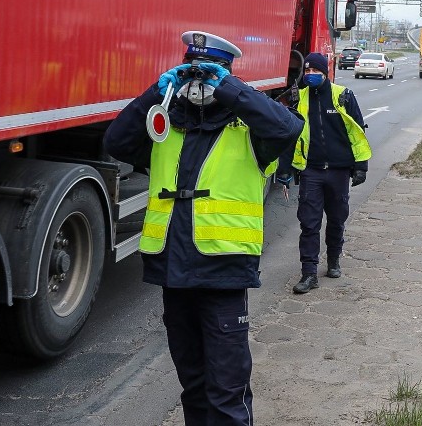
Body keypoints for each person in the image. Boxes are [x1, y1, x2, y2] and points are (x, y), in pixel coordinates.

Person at [103, 31, 303, 425]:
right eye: (191, 74)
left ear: (226, 77)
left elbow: (287, 128)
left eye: (207, 75)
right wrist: (153, 93)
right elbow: (116, 141)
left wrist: (228, 86)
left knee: (226, 392)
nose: (198, 85)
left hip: (223, 278)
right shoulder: (165, 126)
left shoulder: (249, 132)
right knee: (193, 387)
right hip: (173, 277)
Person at [280, 52, 371, 294]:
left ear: (325, 73)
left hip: (339, 172)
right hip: (311, 171)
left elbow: (357, 131)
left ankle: (333, 261)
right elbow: (290, 136)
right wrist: (285, 169)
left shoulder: (342, 95)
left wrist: (361, 166)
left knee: (337, 220)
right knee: (309, 224)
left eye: (315, 72)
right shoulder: (299, 98)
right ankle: (309, 273)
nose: (310, 76)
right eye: (307, 72)